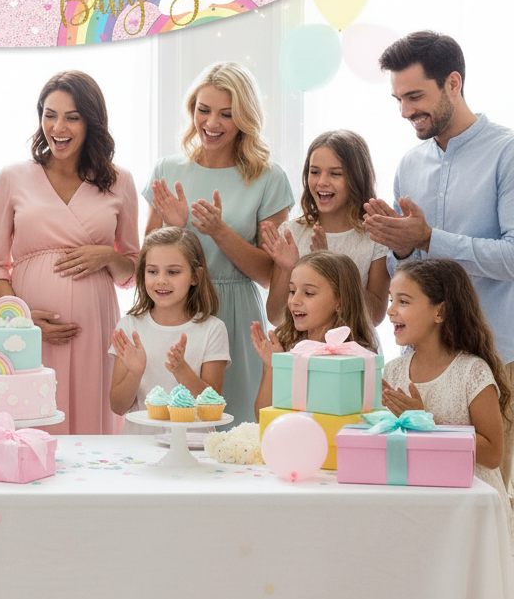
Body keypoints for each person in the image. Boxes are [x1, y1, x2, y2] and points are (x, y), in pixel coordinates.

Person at [363, 30, 514, 493]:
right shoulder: (410, 164)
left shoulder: (506, 153)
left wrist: (430, 236)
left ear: (453, 82)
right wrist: (403, 249)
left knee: (494, 494)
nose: (406, 111)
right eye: (399, 99)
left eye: (415, 96)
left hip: (499, 358)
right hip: (423, 364)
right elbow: (404, 277)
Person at [0, 70, 139, 435]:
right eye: (49, 114)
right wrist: (20, 318)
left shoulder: (120, 181)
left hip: (94, 328)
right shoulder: (12, 177)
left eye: (72, 117)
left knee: (89, 426)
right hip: (28, 332)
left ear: (91, 121)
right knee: (30, 426)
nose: (58, 126)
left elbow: (131, 272)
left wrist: (107, 256)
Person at [143, 61, 293, 422]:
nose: (211, 124)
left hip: (237, 314)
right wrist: (177, 228)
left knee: (234, 424)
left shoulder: (268, 178)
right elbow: (146, 259)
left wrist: (220, 232)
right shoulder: (168, 170)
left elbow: (269, 275)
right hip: (178, 312)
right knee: (177, 424)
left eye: (226, 114)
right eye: (203, 110)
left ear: (244, 117)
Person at [382, 259, 511, 547]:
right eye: (391, 299)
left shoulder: (472, 371)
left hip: (471, 509)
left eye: (403, 301)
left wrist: (427, 422)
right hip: (420, 505)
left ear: (439, 311)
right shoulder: (393, 371)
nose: (390, 311)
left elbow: (492, 455)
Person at [261, 130, 389, 328]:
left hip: (354, 353)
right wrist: (288, 270)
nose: (322, 182)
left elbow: (375, 316)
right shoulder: (292, 233)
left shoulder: (375, 236)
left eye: (335, 174)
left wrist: (330, 265)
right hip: (301, 353)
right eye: (315, 172)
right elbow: (276, 317)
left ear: (356, 178)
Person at [110, 226, 230, 435]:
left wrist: (181, 370)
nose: (161, 280)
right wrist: (135, 373)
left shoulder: (213, 329)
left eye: (173, 272)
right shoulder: (129, 326)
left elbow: (212, 405)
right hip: (141, 449)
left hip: (194, 448)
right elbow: (117, 406)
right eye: (152, 271)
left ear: (195, 276)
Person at [251, 250, 377, 417]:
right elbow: (262, 418)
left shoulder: (358, 354)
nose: (294, 300)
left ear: (340, 300)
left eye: (309, 293)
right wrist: (272, 365)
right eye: (292, 291)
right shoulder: (286, 346)